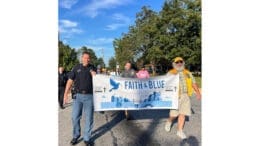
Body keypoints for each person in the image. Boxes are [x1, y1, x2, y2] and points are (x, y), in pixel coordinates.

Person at [63, 52, 96, 146]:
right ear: (82, 58)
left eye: (88, 58)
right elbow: (70, 81)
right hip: (78, 96)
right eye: (85, 58)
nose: (87, 59)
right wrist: (65, 94)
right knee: (74, 117)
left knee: (89, 118)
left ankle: (87, 138)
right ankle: (76, 135)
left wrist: (95, 75)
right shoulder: (76, 67)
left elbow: (98, 82)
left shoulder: (92, 68)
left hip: (90, 96)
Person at [164, 57, 201, 139]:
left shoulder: (187, 73)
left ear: (183, 63)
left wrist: (198, 92)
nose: (179, 63)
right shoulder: (170, 73)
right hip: (175, 96)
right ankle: (169, 121)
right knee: (173, 115)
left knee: (183, 114)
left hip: (186, 96)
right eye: (177, 62)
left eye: (181, 61)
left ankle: (179, 131)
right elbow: (165, 84)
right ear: (174, 64)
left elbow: (193, 83)